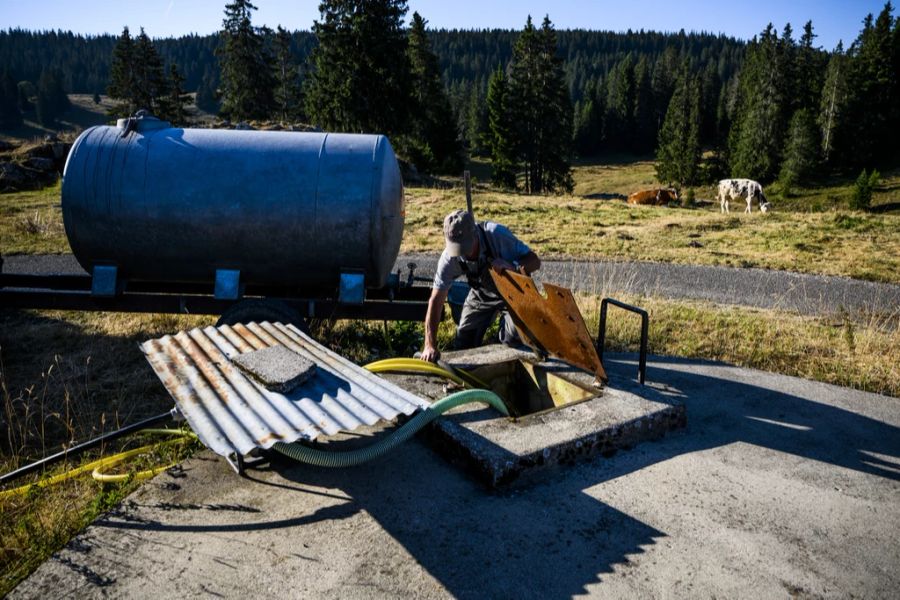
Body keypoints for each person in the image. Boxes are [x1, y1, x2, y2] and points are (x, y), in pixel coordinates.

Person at [420, 209, 541, 363]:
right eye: (457, 248)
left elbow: (535, 261)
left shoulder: (496, 234)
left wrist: (512, 266)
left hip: (514, 292)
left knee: (513, 340)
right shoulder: (448, 260)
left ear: (475, 234)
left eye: (465, 247)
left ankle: (505, 342)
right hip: (481, 293)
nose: (462, 253)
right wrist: (429, 344)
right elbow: (436, 301)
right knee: (464, 341)